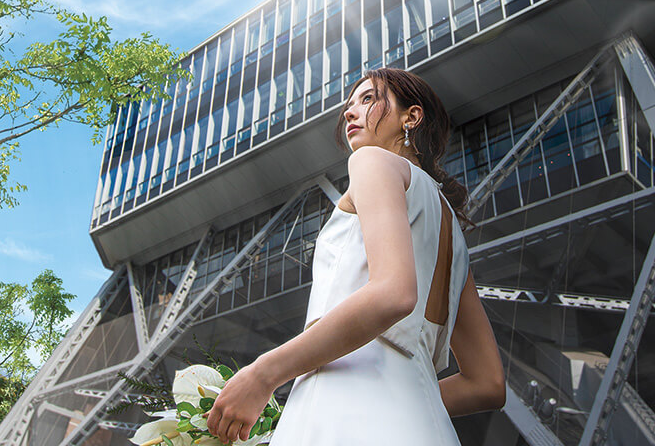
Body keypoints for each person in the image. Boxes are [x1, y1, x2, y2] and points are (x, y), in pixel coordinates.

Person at [206, 68, 506, 444]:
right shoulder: (452, 233)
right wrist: (406, 399)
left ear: (411, 117)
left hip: (342, 417)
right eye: (350, 104)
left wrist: (263, 375)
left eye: (368, 99)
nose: (350, 112)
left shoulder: (372, 162)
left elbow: (393, 294)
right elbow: (488, 384)